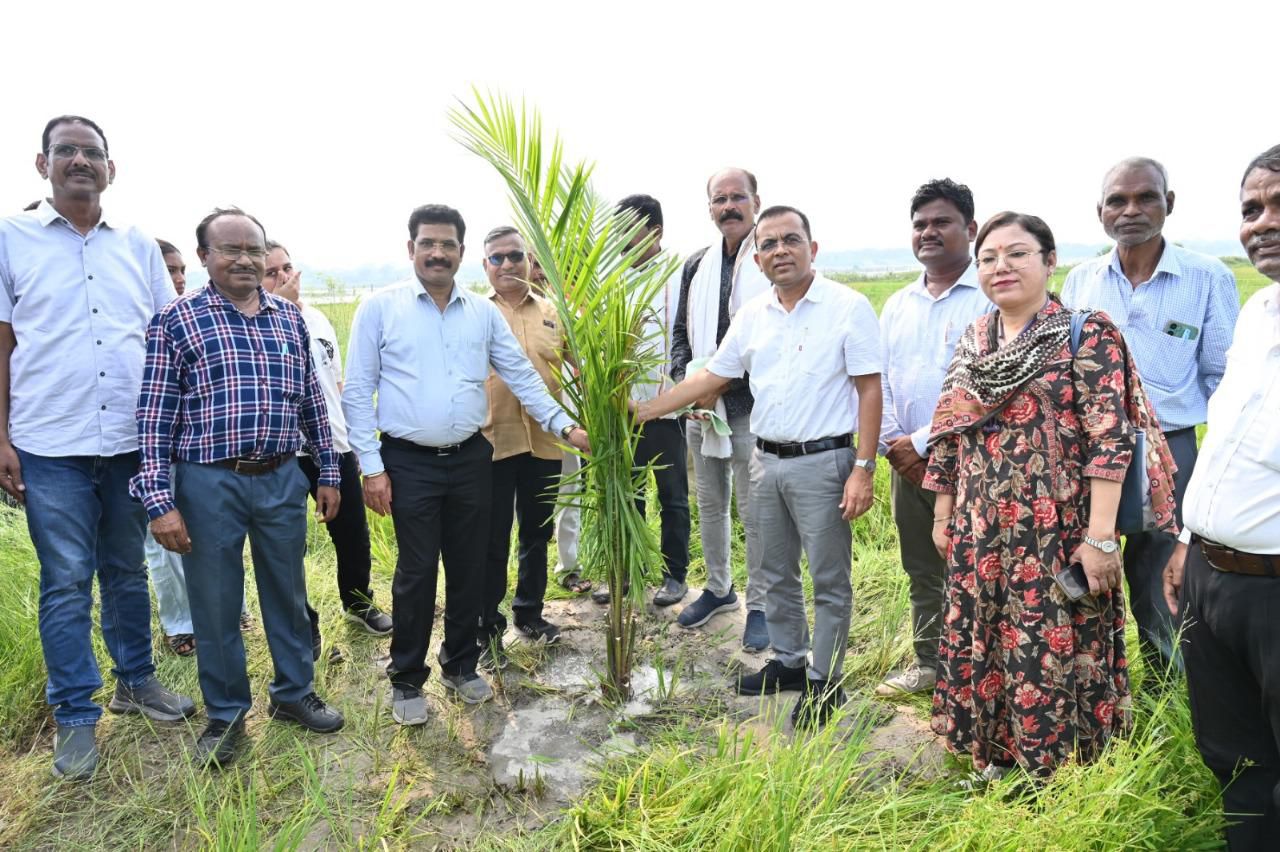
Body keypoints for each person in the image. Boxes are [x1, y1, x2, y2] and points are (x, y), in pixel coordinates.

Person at [924, 211, 1178, 781]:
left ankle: (1062, 770)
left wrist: (1100, 539)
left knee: (1054, 644)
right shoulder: (975, 337)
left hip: (1057, 530)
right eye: (988, 258)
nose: (1001, 267)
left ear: (1049, 260)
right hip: (981, 528)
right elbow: (949, 429)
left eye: (1017, 253)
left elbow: (1109, 441)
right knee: (987, 638)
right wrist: (944, 513)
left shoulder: (1087, 333)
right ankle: (1000, 756)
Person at [0, 115, 194, 780]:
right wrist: (0, 436)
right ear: (41, 163)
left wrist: (169, 436)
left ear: (111, 169)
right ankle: (76, 717)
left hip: (129, 441)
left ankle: (136, 681)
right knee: (64, 582)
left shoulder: (137, 245)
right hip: (48, 442)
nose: (79, 161)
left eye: (91, 152)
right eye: (66, 151)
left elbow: (165, 338)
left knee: (125, 570)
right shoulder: (9, 238)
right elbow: (1, 343)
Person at [342, 204, 588, 727]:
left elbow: (522, 377)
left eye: (447, 244)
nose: (437, 253)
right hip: (407, 462)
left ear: (460, 252)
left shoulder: (481, 312)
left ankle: (459, 663)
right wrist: (371, 467)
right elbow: (359, 391)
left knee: (470, 565)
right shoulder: (380, 309)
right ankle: (408, 678)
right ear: (411, 249)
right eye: (427, 243)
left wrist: (567, 428)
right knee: (416, 571)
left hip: (474, 457)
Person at [638, 205, 882, 728]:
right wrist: (647, 410)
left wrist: (863, 467)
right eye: (769, 244)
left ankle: (824, 681)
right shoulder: (752, 316)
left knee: (828, 578)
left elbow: (869, 389)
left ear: (812, 249)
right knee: (773, 571)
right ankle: (789, 662)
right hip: (766, 462)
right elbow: (712, 377)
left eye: (790, 240)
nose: (779, 251)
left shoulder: (847, 306)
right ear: (757, 257)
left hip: (826, 462)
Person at [131, 207, 345, 769]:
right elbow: (153, 420)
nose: (245, 259)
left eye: (254, 248)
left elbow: (310, 403)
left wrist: (326, 470)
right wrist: (160, 502)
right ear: (204, 257)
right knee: (216, 602)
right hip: (207, 483)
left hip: (279, 477)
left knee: (288, 592)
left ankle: (294, 693)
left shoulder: (288, 320)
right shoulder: (176, 322)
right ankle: (225, 714)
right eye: (230, 249)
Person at [1061, 157, 1239, 675]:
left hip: (1171, 448)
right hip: (1090, 451)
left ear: (1170, 204)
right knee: (1084, 565)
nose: (1131, 210)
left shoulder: (1206, 278)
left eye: (1146, 198)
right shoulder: (1081, 280)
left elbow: (1221, 379)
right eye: (1117, 200)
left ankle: (1173, 696)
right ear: (1101, 212)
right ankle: (1094, 691)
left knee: (1163, 580)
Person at [1163, 144, 1280, 850]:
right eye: (1251, 209)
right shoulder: (1262, 309)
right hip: (1212, 577)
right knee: (1235, 761)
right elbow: (1229, 435)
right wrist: (1186, 543)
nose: (1262, 224)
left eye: (1278, 205)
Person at [875, 179, 991, 698]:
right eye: (920, 224)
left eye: (941, 222)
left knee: (983, 570)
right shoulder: (898, 303)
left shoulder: (990, 297)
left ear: (969, 229)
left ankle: (985, 675)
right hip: (907, 465)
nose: (928, 232)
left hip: (977, 462)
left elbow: (986, 385)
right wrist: (895, 445)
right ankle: (932, 666)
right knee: (922, 568)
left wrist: (920, 443)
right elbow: (876, 382)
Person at [261, 241, 392, 639]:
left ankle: (358, 602)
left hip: (333, 445)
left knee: (352, 533)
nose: (285, 277)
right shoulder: (253, 323)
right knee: (287, 545)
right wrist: (280, 311)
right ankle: (303, 622)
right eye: (273, 273)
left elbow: (337, 383)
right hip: (283, 452)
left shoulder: (318, 319)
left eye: (287, 267)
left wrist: (353, 438)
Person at [669, 168, 773, 649]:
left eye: (738, 197)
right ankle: (718, 589)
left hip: (751, 409)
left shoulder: (771, 255)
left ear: (756, 201)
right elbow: (680, 337)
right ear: (708, 207)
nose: (728, 206)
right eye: (719, 199)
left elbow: (772, 339)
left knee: (754, 511)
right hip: (700, 411)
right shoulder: (696, 265)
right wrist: (687, 386)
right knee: (709, 504)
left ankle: (761, 605)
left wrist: (717, 387)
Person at [478, 226, 569, 660]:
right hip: (492, 442)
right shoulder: (474, 313)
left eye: (515, 256)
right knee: (491, 539)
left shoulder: (554, 312)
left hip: (547, 441)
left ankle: (529, 613)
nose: (507, 265)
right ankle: (486, 624)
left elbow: (581, 368)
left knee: (536, 532)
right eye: (497, 258)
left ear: (530, 261)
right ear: (485, 266)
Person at [604, 194, 690, 607]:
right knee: (627, 495)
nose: (620, 237)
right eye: (616, 229)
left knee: (672, 496)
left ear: (655, 231)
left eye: (628, 228)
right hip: (620, 413)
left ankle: (674, 576)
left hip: (667, 410)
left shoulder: (679, 277)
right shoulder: (610, 279)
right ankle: (628, 572)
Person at [142, 239, 196, 656]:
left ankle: (222, 610)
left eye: (179, 270)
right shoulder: (141, 320)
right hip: (151, 445)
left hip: (193, 446)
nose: (176, 279)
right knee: (160, 536)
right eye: (167, 271)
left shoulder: (191, 317)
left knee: (204, 533)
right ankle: (179, 623)